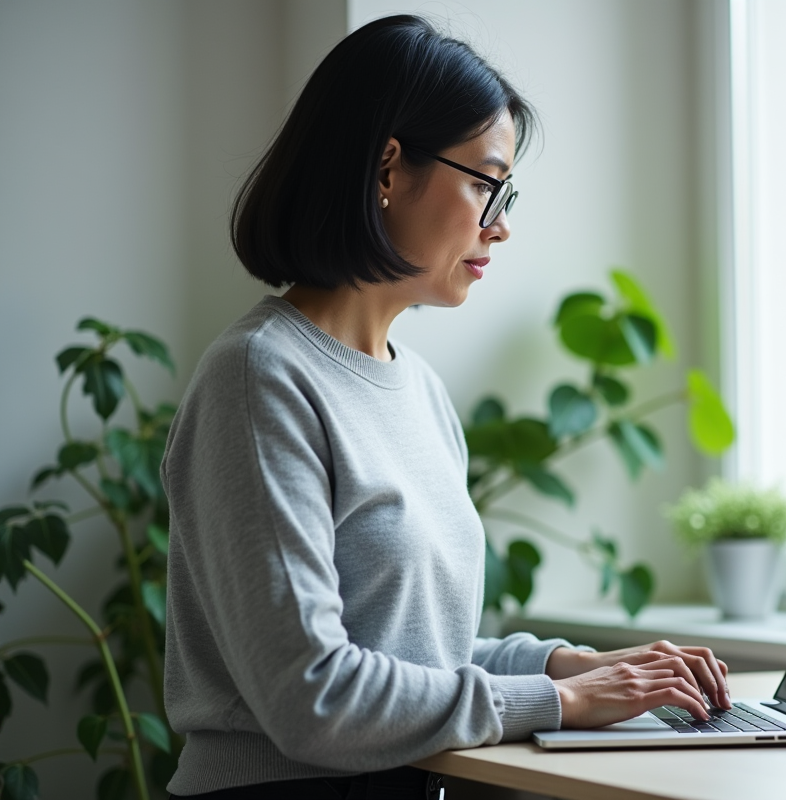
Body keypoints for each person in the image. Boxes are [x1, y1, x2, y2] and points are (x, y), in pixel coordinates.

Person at [162, 15, 730, 799]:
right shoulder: (259, 379)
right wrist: (560, 702)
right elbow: (314, 697)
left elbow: (425, 658)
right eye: (483, 183)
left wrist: (569, 665)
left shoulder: (419, 390)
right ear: (388, 169)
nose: (500, 225)